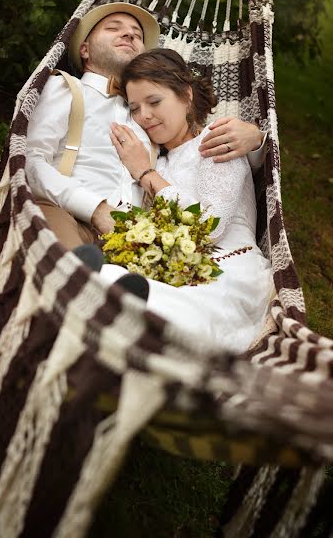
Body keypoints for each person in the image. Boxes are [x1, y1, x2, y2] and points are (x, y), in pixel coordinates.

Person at [25, 2, 266, 253]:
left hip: (139, 241)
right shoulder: (64, 89)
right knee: (66, 263)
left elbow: (191, 155)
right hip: (70, 216)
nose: (129, 34)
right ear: (84, 49)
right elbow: (28, 160)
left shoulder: (152, 127)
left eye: (137, 34)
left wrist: (256, 139)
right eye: (113, 28)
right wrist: (94, 208)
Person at [100, 48, 272, 354]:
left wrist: (144, 172)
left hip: (226, 274)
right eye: (134, 107)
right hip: (173, 268)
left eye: (154, 102)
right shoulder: (159, 163)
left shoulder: (216, 140)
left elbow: (207, 226)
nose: (144, 116)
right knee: (106, 281)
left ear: (186, 95)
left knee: (170, 314)